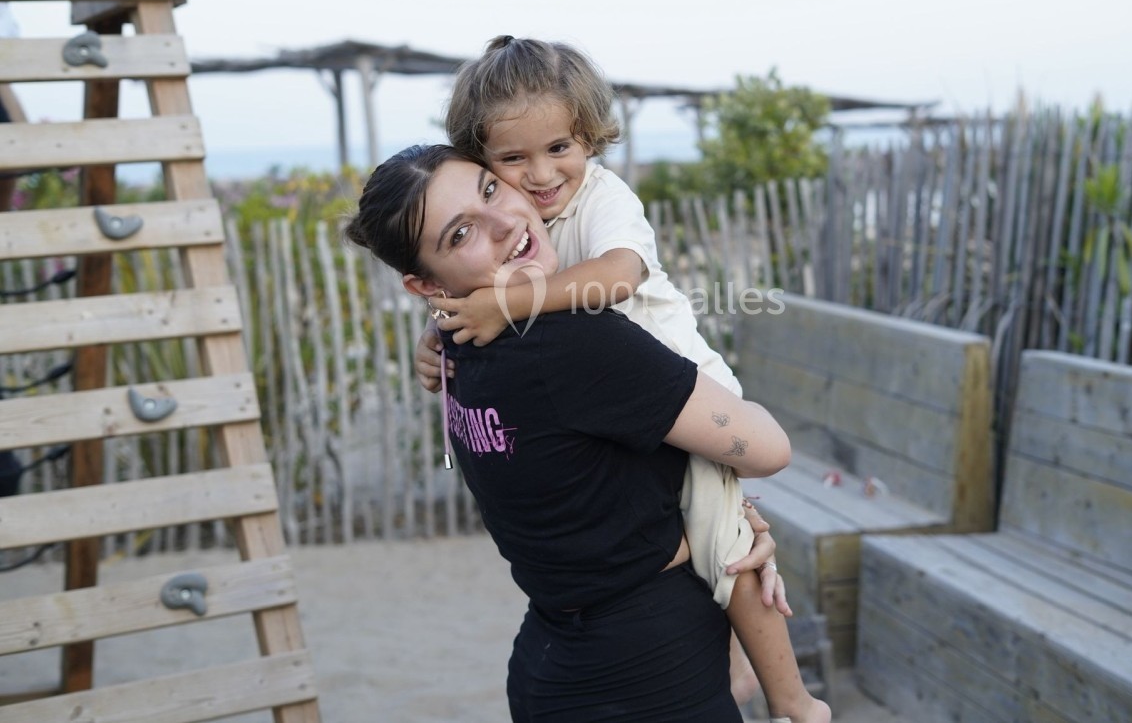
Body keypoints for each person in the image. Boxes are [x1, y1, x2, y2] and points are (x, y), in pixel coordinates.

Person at [415, 36, 829, 723]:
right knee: (717, 540)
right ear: (481, 159)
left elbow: (616, 278)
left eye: (559, 149)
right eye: (512, 159)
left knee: (731, 543)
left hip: (691, 389)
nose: (541, 174)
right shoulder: (519, 222)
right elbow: (474, 305)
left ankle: (793, 699)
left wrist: (505, 302)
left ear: (590, 138)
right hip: (627, 415)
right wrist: (432, 341)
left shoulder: (605, 200)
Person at [346, 143, 791, 721]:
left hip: (552, 667)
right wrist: (734, 509)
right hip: (650, 673)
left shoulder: (456, 354)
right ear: (425, 286)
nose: (507, 222)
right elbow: (769, 448)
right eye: (461, 234)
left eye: (489, 189)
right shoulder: (576, 344)